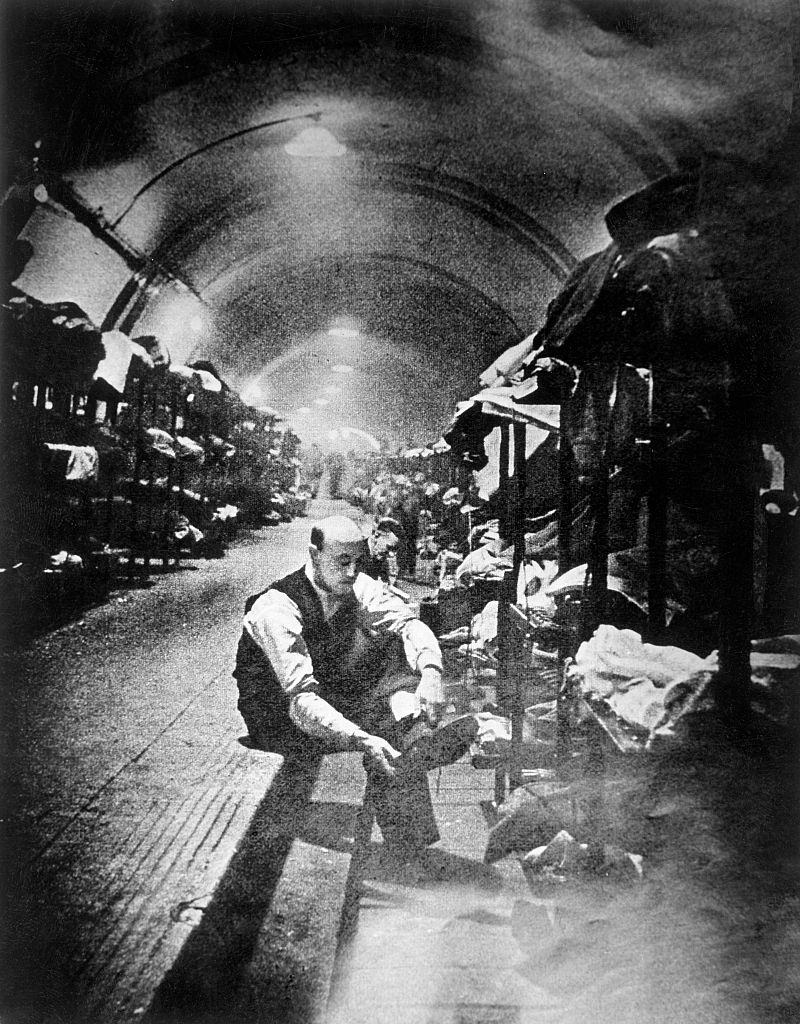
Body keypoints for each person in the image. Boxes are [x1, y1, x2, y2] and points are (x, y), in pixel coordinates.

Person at [234, 515, 478, 861]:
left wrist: (433, 672)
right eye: (342, 561)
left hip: (327, 693)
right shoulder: (276, 608)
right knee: (388, 740)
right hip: (277, 715)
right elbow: (301, 699)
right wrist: (361, 737)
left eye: (357, 562)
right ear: (313, 554)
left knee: (394, 640)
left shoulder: (355, 584)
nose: (351, 572)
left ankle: (410, 735)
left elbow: (409, 623)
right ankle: (410, 739)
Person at [361, 516, 403, 584]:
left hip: (382, 558)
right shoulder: (377, 535)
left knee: (382, 574)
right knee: (375, 574)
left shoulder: (391, 536)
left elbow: (393, 547)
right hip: (378, 558)